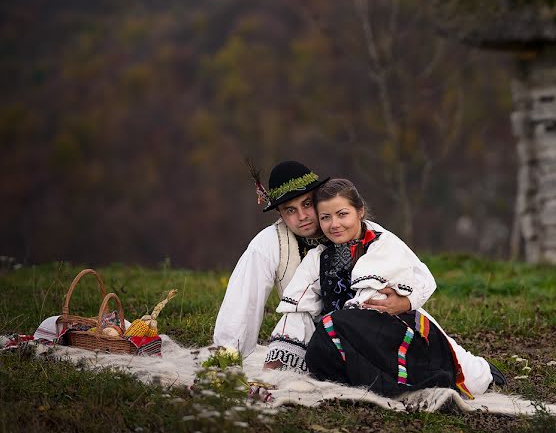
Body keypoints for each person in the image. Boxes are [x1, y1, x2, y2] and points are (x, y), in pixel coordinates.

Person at [212, 161, 502, 394]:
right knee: (313, 361)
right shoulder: (270, 244)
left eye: (307, 205)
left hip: (376, 320)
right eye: (290, 210)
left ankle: (476, 371)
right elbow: (244, 302)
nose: (303, 217)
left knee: (462, 369)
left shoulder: (370, 235)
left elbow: (418, 274)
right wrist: (227, 358)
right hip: (316, 331)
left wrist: (405, 301)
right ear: (279, 214)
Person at [274, 178, 463, 397]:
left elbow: (418, 282)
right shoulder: (319, 257)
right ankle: (356, 378)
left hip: (388, 331)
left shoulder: (382, 245)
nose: (334, 224)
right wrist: (279, 360)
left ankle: (393, 383)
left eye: (342, 214)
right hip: (343, 333)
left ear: (360, 211)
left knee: (332, 324)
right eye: (326, 217)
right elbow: (299, 307)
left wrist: (405, 301)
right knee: (318, 349)